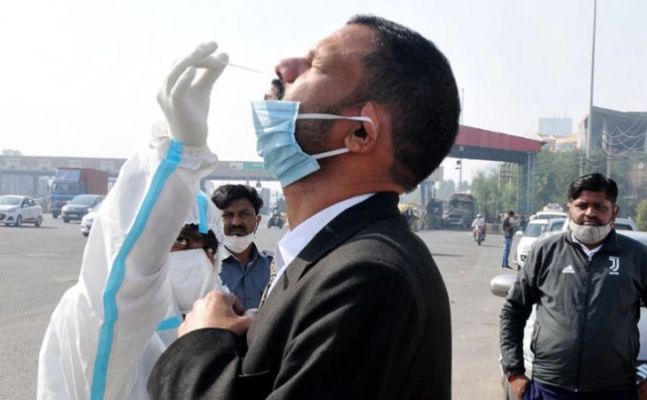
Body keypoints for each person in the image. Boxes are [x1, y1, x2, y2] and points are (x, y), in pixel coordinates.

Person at [148, 14, 460, 400]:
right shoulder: (330, 255)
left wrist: (199, 345)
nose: (285, 67)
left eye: (316, 64)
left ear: (361, 131)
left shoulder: (368, 277)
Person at [37, 43, 228, 399]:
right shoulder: (96, 316)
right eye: (176, 240)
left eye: (202, 244)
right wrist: (179, 159)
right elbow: (124, 284)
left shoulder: (230, 315)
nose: (192, 254)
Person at [499, 173, 647, 400]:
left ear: (614, 211)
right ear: (569, 209)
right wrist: (514, 371)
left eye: (600, 206)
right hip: (550, 387)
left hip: (616, 388)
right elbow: (513, 310)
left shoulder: (636, 256)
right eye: (582, 205)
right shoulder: (545, 252)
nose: (590, 213)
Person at [212, 184, 272, 309]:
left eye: (244, 214)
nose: (236, 222)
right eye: (227, 215)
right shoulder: (205, 267)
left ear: (257, 221)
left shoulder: (274, 267)